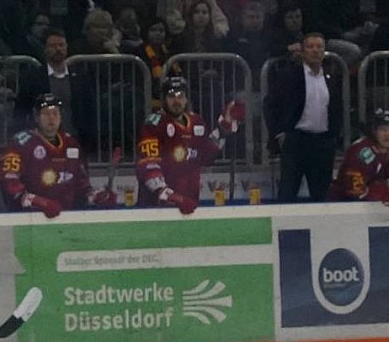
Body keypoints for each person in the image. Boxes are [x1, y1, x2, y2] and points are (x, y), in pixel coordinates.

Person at [136, 76, 244, 214]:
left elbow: (206, 156)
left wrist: (224, 128)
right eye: (171, 96)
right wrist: (167, 194)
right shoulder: (154, 125)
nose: (176, 101)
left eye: (180, 96)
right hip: (157, 209)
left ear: (186, 98)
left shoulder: (196, 122)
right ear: (164, 99)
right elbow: (148, 164)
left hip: (189, 204)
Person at [263, 33, 343, 204]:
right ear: (302, 51)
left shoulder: (330, 77)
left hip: (323, 144)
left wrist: (334, 137)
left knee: (322, 195)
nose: (315, 51)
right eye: (310, 47)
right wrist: (278, 133)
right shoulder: (289, 75)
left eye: (319, 47)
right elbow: (270, 104)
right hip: (296, 141)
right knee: (288, 193)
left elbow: (336, 110)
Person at [0, 95, 103, 217]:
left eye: (55, 113)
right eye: (46, 114)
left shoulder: (71, 143)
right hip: (29, 217)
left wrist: (96, 196)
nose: (51, 118)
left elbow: (82, 184)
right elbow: (8, 180)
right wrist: (36, 201)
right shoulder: (21, 143)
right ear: (36, 117)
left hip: (69, 217)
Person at [329, 108, 389, 203]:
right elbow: (355, 191)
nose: (387, 134)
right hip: (343, 204)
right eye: (383, 129)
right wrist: (382, 193)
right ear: (374, 131)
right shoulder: (361, 152)